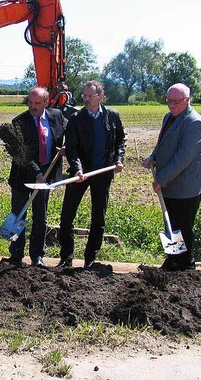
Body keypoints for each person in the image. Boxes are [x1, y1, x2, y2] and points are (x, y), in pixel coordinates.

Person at [57, 80, 126, 269]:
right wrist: (78, 168)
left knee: (98, 218)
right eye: (84, 96)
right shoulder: (76, 119)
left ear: (101, 96)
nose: (86, 99)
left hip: (103, 173)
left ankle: (90, 259)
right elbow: (71, 148)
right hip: (80, 173)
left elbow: (120, 140)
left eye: (90, 96)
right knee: (67, 216)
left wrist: (119, 159)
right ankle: (66, 258)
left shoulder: (112, 116)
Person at [142, 83, 201, 271]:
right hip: (169, 185)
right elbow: (162, 144)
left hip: (185, 187)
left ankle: (186, 265)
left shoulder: (194, 123)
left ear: (187, 100)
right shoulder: (169, 117)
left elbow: (182, 158)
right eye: (169, 101)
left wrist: (161, 179)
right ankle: (172, 259)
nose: (171, 105)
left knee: (182, 227)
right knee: (169, 224)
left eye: (176, 102)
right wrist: (153, 157)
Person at [5, 87, 65, 268]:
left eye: (37, 103)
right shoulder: (19, 122)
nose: (33, 106)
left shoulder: (56, 116)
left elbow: (69, 132)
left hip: (46, 178)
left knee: (40, 216)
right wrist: (37, 173)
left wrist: (67, 146)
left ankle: (37, 255)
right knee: (18, 215)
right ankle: (16, 255)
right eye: (30, 103)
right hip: (23, 176)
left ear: (46, 103)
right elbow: (21, 154)